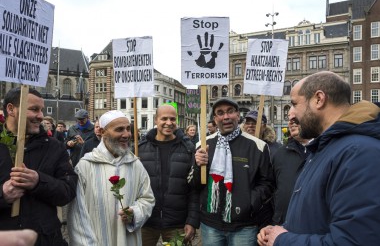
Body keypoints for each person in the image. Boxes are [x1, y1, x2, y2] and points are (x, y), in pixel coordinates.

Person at [258, 71, 380, 245]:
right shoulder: (325, 149)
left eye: (294, 104)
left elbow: (354, 241)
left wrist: (283, 240)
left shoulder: (359, 153)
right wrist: (279, 230)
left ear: (319, 99)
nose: (291, 114)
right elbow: (316, 216)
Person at [189, 97, 274, 246]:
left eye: (230, 112)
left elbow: (267, 183)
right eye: (220, 113)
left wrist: (250, 202)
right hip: (211, 225)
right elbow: (193, 184)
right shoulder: (203, 144)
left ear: (238, 115)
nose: (226, 117)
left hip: (245, 226)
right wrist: (198, 165)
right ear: (215, 119)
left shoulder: (258, 146)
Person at [0, 87, 77, 246]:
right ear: (11, 109)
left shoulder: (55, 147)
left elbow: (68, 191)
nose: (41, 116)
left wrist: (39, 181)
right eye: (34, 109)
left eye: (41, 110)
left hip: (45, 239)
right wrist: (2, 195)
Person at [68, 110, 155, 246]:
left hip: (128, 239)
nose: (126, 134)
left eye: (128, 129)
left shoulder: (135, 164)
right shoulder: (85, 166)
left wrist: (135, 213)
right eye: (119, 129)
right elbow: (77, 215)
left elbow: (147, 198)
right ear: (103, 132)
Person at [138, 105, 199, 245]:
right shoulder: (140, 149)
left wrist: (192, 221)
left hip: (177, 223)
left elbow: (194, 189)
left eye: (172, 119)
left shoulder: (187, 150)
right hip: (146, 222)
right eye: (164, 118)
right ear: (156, 120)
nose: (169, 123)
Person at [271, 109, 310, 225]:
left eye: (296, 116)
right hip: (283, 226)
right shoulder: (279, 153)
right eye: (289, 118)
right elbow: (270, 190)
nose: (291, 121)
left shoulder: (325, 150)